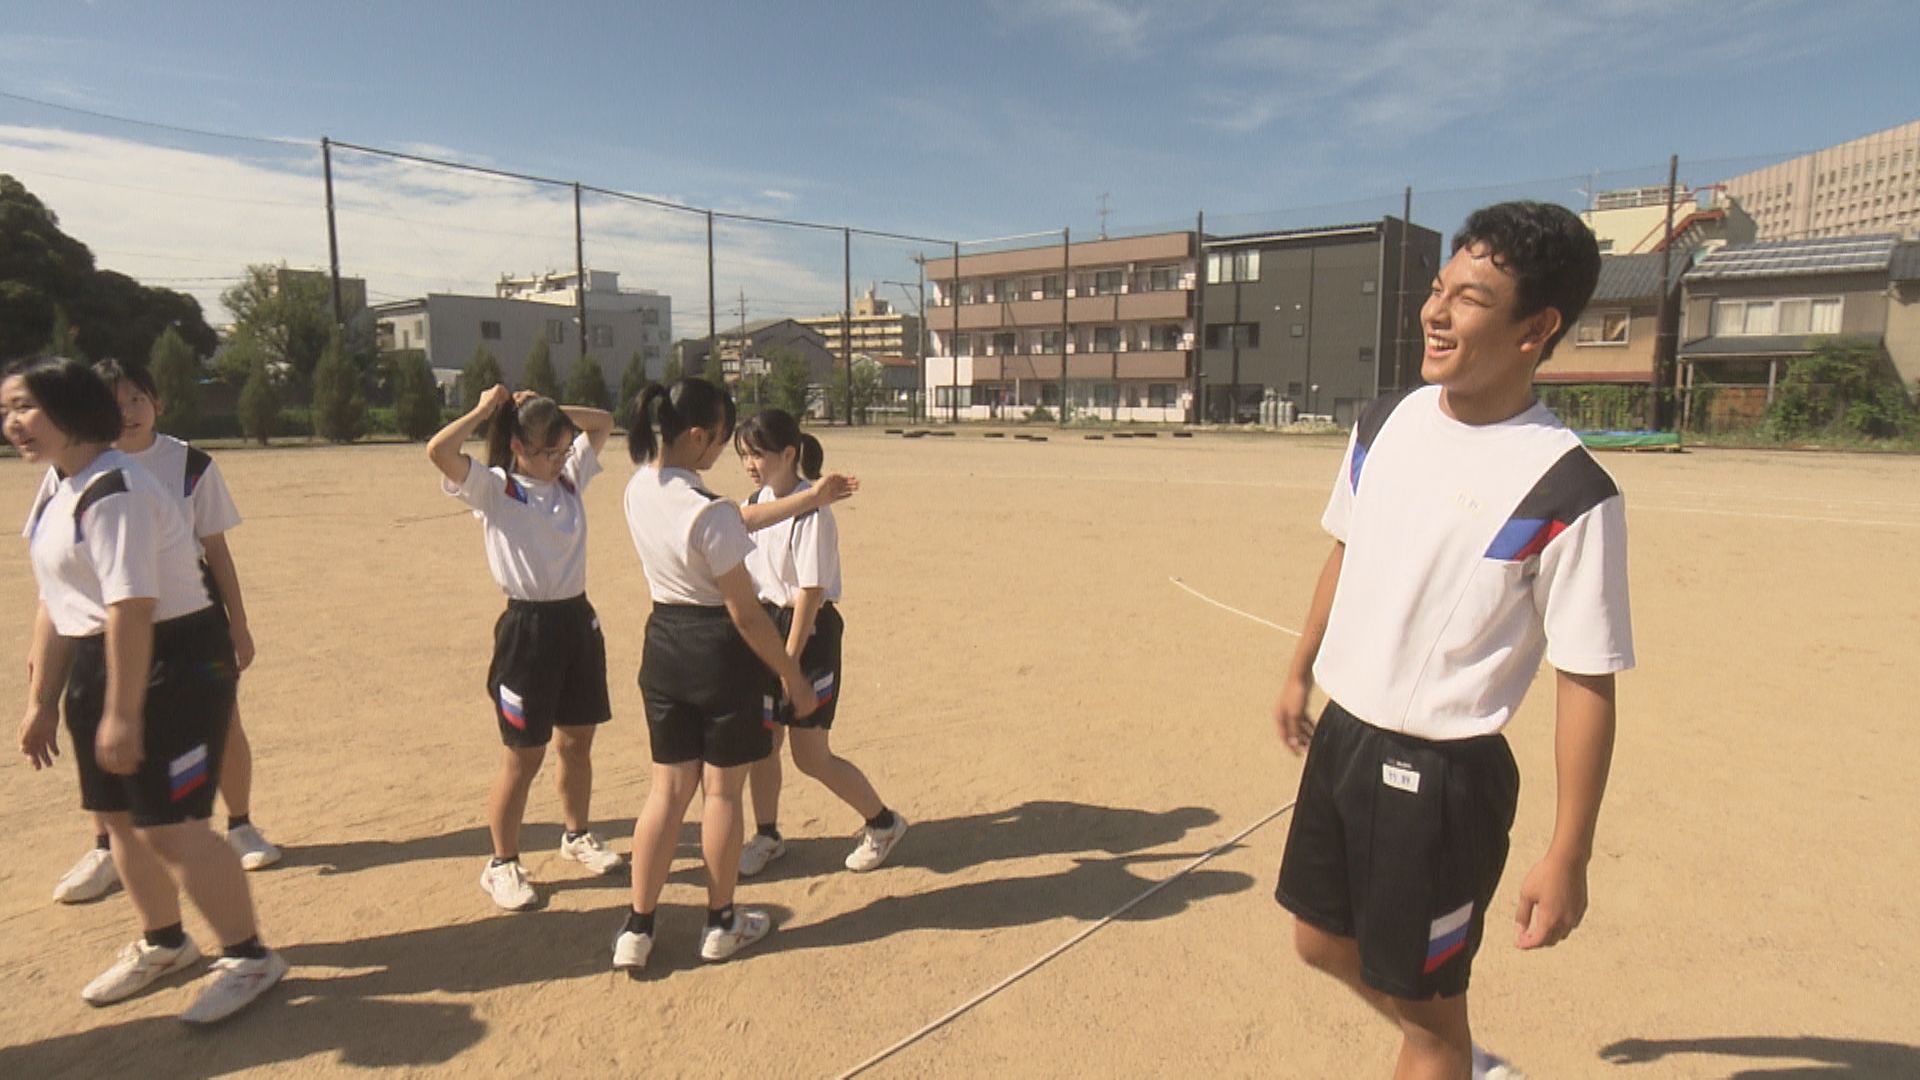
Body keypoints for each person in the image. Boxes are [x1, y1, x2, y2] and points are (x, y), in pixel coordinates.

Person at [1270, 202, 1633, 1080]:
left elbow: (1588, 679)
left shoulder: (1567, 487)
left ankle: (1450, 1054)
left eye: (1469, 299)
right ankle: (1461, 1054)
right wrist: (1299, 670)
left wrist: (1568, 851)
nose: (1434, 313)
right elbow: (1347, 550)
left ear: (1535, 328)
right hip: (1347, 740)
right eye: (1438, 290)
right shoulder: (1385, 422)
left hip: (1440, 782)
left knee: (1430, 1028)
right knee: (1318, 941)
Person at [7, 357, 286, 1023]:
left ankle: (249, 957)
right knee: (118, 820)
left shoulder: (117, 491)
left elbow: (132, 606)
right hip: (105, 658)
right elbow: (56, 600)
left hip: (174, 662)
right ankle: (165, 943)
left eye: (23, 407)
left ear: (70, 410)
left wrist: (123, 715)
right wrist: (43, 703)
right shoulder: (57, 485)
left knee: (173, 826)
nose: (11, 423)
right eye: (6, 410)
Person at [613, 379, 852, 973]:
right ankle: (720, 922)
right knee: (720, 791)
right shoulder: (709, 513)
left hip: (662, 646)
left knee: (666, 791)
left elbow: (741, 515)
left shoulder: (640, 488)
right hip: (717, 654)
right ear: (699, 436)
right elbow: (746, 616)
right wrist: (792, 676)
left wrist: (809, 498)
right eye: (721, 440)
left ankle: (637, 927)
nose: (725, 453)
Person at [46, 360, 280, 906]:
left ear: (157, 402)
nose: (128, 412)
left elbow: (216, 551)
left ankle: (241, 824)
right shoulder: (69, 468)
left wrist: (239, 624)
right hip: (105, 613)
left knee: (221, 722)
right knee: (108, 730)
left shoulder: (190, 464)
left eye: (137, 399)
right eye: (116, 401)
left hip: (186, 611)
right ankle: (107, 846)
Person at [427, 384, 623, 912]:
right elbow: (439, 452)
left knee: (577, 741)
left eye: (561, 449)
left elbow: (603, 421)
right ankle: (501, 863)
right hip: (527, 630)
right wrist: (485, 409)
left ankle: (576, 833)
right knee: (523, 755)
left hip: (577, 622)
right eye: (544, 451)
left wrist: (556, 406)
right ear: (516, 447)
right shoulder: (495, 488)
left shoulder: (568, 478)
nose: (556, 459)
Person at [732, 409, 906, 880]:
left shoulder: (813, 514)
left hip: (807, 629)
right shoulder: (757, 501)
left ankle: (883, 822)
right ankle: (767, 834)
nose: (750, 463)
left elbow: (809, 593)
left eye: (759, 454)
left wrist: (788, 663)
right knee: (763, 744)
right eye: (744, 454)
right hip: (768, 623)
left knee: (811, 755)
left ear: (789, 454)